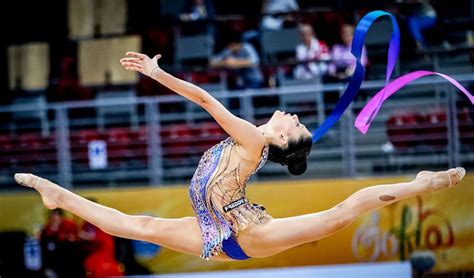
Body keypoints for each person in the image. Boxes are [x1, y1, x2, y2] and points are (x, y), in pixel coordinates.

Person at [15, 51, 466, 261]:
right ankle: (58, 194)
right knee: (140, 226)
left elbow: (208, 102)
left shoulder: (254, 141)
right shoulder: (253, 141)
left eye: (297, 124)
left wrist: (158, 73)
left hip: (244, 231)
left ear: (282, 141)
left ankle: (418, 183)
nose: (292, 115)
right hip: (212, 226)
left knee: (337, 216)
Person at [40, 208, 85, 277]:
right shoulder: (47, 229)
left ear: (61, 217)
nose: (54, 219)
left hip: (71, 261)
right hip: (56, 264)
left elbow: (75, 239)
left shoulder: (69, 225)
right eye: (52, 216)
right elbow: (45, 249)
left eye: (56, 216)